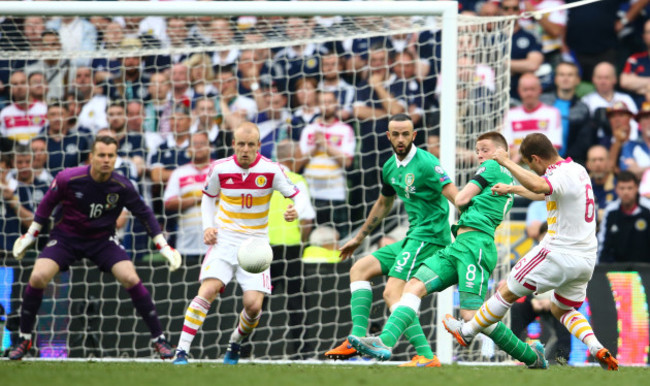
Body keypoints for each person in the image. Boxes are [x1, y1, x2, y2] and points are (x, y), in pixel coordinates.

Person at [442, 132, 619, 371]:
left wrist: (506, 161)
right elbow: (540, 191)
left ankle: (467, 331)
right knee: (562, 308)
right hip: (586, 260)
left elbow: (538, 184)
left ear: (535, 159)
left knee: (506, 291)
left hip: (558, 252)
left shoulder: (558, 174)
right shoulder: (576, 169)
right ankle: (597, 346)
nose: (531, 170)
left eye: (528, 164)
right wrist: (511, 189)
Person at [347, 131, 516, 366]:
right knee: (411, 287)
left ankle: (527, 354)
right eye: (477, 151)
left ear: (501, 151)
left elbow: (460, 198)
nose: (479, 155)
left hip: (473, 245)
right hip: (459, 243)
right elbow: (535, 189)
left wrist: (468, 200)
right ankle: (384, 342)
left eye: (484, 150)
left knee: (468, 314)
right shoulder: (512, 180)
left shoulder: (489, 168)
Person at [8, 135, 181, 360]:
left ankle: (159, 339)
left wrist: (164, 246)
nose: (106, 160)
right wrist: (31, 235)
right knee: (38, 276)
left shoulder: (122, 185)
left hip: (102, 241)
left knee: (130, 277)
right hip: (65, 239)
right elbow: (46, 204)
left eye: (111, 155)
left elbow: (144, 213)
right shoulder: (68, 178)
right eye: (101, 155)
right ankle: (24, 338)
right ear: (91, 157)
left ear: (115, 158)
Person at [324, 114, 458, 367]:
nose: (400, 139)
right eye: (395, 134)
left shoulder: (427, 164)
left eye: (405, 134)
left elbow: (456, 197)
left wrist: (467, 231)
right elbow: (384, 202)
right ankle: (358, 338)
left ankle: (419, 353)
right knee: (360, 268)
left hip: (430, 237)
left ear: (413, 135)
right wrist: (359, 237)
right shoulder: (389, 167)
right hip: (412, 236)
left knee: (392, 292)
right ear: (387, 136)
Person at [172, 122, 311, 365]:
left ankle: (235, 342)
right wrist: (208, 227)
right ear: (233, 144)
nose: (245, 149)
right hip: (225, 240)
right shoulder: (220, 168)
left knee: (253, 306)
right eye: (241, 144)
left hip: (256, 245)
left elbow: (297, 195)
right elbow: (208, 199)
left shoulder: (272, 170)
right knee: (207, 290)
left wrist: (295, 211)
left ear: (258, 146)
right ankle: (181, 351)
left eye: (250, 145)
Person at [267, 139, 316, 359]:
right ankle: (300, 353)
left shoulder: (264, 179)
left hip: (264, 249)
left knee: (256, 301)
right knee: (296, 303)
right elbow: (307, 220)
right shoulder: (296, 180)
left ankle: (242, 348)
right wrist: (302, 241)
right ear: (292, 155)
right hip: (291, 250)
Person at [163, 131, 213, 261]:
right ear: (189, 148)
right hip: (187, 244)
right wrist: (199, 197)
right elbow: (168, 203)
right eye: (194, 144)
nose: (198, 146)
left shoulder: (221, 169)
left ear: (210, 147)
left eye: (202, 143)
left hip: (217, 243)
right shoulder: (179, 173)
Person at [503, 73, 562, 163]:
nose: (529, 93)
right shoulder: (510, 114)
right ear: (519, 91)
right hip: (518, 166)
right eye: (525, 90)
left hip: (544, 168)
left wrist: (520, 154)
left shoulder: (552, 113)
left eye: (532, 89)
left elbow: (553, 148)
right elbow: (507, 149)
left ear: (540, 90)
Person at [598, 171, 650, 263]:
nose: (626, 192)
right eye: (622, 188)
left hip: (646, 270)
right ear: (616, 189)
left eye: (630, 188)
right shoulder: (610, 211)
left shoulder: (648, 209)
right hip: (615, 270)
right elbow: (603, 242)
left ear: (637, 188)